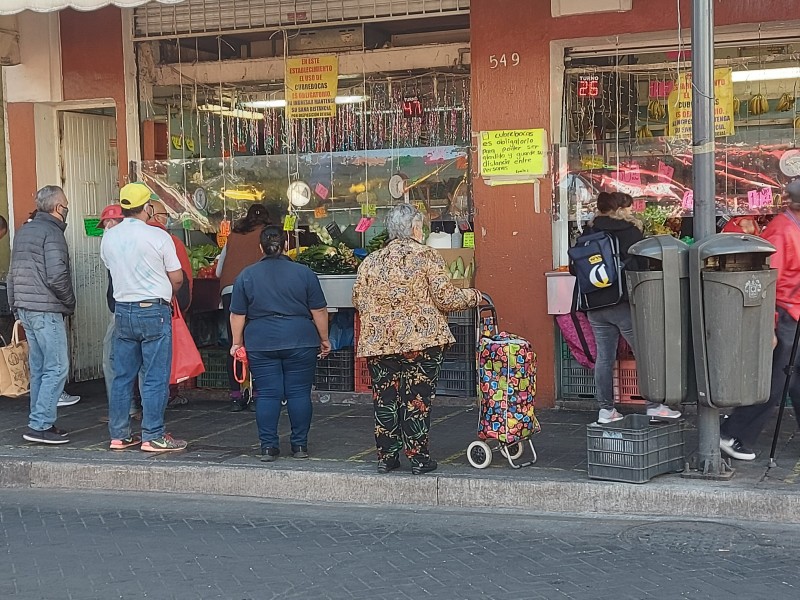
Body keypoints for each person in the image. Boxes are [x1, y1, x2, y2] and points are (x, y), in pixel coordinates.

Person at [353, 204, 482, 475]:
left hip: (379, 343)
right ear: (414, 228)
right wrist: (474, 296)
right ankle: (419, 458)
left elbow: (359, 302)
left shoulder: (371, 261)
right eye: (420, 226)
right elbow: (445, 298)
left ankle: (386, 458)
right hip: (421, 342)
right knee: (417, 399)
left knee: (384, 399)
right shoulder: (427, 256)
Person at [229, 225, 330, 462]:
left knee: (267, 395)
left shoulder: (246, 275)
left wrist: (236, 343)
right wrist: (324, 339)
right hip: (300, 339)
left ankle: (268, 447)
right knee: (299, 393)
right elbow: (319, 309)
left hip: (261, 341)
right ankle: (300, 446)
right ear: (286, 245)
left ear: (260, 247)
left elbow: (237, 314)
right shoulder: (304, 273)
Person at [100, 182, 186, 452]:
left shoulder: (109, 237)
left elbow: (111, 270)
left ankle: (119, 435)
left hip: (123, 310)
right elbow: (177, 278)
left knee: (122, 376)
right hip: (154, 311)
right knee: (154, 376)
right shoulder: (158, 237)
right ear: (147, 207)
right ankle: (153, 435)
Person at [583, 192, 681, 424]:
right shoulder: (630, 232)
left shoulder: (588, 232)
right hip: (621, 302)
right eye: (628, 208)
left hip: (595, 304)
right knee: (644, 354)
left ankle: (606, 410)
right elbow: (642, 266)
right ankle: (654, 405)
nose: (631, 212)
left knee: (604, 358)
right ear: (619, 210)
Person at [720, 180, 800, 461]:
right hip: (784, 316)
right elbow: (767, 282)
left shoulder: (792, 226)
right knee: (775, 382)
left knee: (794, 380)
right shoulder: (781, 230)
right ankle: (732, 434)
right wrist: (768, 327)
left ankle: (734, 431)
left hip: (794, 314)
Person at [8, 186, 76, 445]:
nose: (66, 209)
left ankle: (39, 420)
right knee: (57, 366)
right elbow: (57, 275)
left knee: (39, 368)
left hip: (26, 307)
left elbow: (13, 272)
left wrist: (15, 304)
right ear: (58, 207)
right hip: (46, 309)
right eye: (66, 204)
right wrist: (69, 303)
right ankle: (40, 424)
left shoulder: (25, 230)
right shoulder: (52, 233)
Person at [217, 204, 271, 411]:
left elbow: (218, 271)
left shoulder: (233, 235)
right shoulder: (266, 235)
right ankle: (257, 393)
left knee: (235, 344)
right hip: (255, 291)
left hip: (229, 290)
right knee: (256, 342)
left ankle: (236, 394)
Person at [147, 198, 194, 407]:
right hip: (164, 305)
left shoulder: (127, 237)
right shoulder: (170, 240)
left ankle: (138, 400)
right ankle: (169, 394)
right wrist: (181, 304)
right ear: (156, 216)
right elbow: (182, 277)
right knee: (165, 354)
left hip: (129, 306)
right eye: (165, 216)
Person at [98, 204, 141, 423]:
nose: (106, 228)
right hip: (132, 307)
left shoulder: (116, 244)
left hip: (125, 308)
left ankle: (124, 410)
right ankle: (133, 410)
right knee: (138, 363)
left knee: (114, 359)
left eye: (109, 223)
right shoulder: (122, 243)